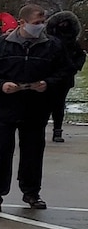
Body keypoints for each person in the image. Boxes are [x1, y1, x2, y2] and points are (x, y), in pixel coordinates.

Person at [0, 3, 69, 209]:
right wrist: (0, 85)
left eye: (43, 22)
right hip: (3, 108)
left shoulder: (53, 46)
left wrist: (48, 84)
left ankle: (32, 193)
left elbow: (64, 73)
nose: (40, 26)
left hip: (35, 109)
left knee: (33, 154)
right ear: (22, 22)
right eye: (36, 23)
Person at [43, 11, 84, 143]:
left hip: (64, 78)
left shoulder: (72, 42)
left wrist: (73, 67)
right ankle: (40, 130)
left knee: (59, 105)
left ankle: (57, 131)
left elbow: (80, 56)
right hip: (49, 76)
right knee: (45, 104)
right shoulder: (49, 41)